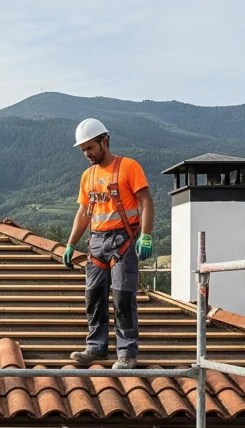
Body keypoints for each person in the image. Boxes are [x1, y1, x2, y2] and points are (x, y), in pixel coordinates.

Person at [63, 118, 155, 370]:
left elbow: (146, 202)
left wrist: (145, 235)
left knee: (124, 298)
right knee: (94, 297)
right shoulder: (88, 176)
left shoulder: (128, 167)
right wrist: (71, 244)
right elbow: (84, 213)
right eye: (83, 150)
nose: (87, 154)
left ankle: (126, 353)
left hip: (122, 242)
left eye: (90, 148)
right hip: (96, 244)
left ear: (104, 141)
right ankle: (96, 347)